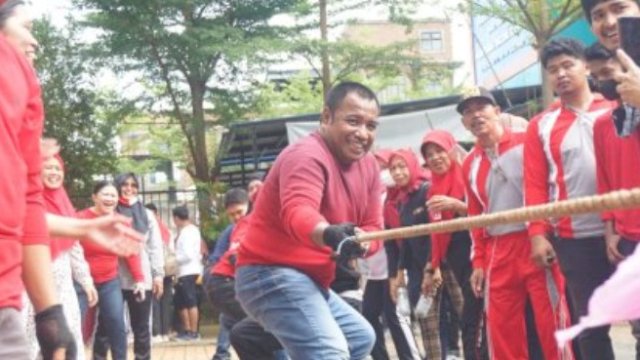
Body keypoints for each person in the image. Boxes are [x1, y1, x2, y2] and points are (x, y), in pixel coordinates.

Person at [0, 1, 141, 359]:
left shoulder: (26, 85)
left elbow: (26, 209)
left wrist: (51, 318)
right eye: (27, 27)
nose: (35, 42)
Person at [234, 81, 380, 359]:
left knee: (360, 339)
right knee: (330, 352)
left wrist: (362, 245)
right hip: (266, 273)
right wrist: (330, 234)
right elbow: (299, 212)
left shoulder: (370, 167)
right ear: (326, 117)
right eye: (353, 121)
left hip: (309, 280)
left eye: (371, 126)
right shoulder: (306, 155)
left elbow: (374, 229)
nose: (362, 133)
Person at [459, 86, 572, 360]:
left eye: (481, 108)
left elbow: (550, 186)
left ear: (497, 111)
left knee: (552, 322)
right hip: (498, 249)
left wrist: (546, 230)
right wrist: (477, 262)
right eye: (468, 112)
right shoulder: (469, 163)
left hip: (537, 238)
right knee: (500, 328)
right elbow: (476, 218)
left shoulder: (527, 141)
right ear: (463, 122)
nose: (475, 115)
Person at [524, 38, 618, 360]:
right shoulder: (540, 125)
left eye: (568, 65)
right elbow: (535, 185)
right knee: (590, 327)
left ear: (585, 66)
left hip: (627, 233)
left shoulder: (618, 108)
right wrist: (537, 235)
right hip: (574, 240)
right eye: (553, 70)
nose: (561, 74)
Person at [586, 42, 640, 359]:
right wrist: (610, 229)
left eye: (606, 73)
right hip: (628, 237)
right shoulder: (603, 123)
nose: (601, 82)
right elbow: (605, 180)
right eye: (596, 76)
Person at [21, 154, 98, 360]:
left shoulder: (64, 203)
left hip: (62, 287)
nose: (54, 173)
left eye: (58, 169)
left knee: (66, 341)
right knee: (29, 343)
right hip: (31, 286)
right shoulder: (27, 200)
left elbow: (74, 247)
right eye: (48, 168)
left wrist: (86, 281)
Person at [420, 130, 488, 360]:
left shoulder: (468, 176)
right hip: (456, 265)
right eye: (429, 155)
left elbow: (488, 213)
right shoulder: (432, 190)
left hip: (479, 261)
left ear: (451, 149)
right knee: (471, 322)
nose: (435, 158)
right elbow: (436, 234)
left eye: (439, 150)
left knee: (474, 322)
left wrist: (457, 205)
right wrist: (433, 266)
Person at [360, 150, 421, 360]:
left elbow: (398, 238)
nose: (382, 172)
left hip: (393, 267)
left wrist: (399, 271)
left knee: (395, 316)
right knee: (368, 314)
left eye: (383, 167)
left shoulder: (396, 196)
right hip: (375, 269)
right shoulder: (369, 195)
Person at [78, 181, 146, 360]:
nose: (110, 199)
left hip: (109, 281)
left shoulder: (118, 221)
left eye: (113, 195)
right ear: (94, 197)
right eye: (105, 194)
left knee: (116, 322)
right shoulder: (80, 218)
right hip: (81, 282)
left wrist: (139, 278)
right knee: (76, 324)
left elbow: (131, 252)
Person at [115, 173, 164, 360]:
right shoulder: (112, 211)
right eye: (125, 184)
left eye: (133, 185)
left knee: (142, 328)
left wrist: (158, 274)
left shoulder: (147, 214)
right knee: (112, 326)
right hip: (115, 278)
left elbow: (155, 246)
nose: (129, 188)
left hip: (142, 280)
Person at [582, 0, 640, 134]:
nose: (610, 22)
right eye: (599, 16)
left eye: (619, 8)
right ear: (592, 29)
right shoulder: (608, 123)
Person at [205, 188, 250, 360]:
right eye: (232, 214)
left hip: (228, 281)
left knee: (230, 320)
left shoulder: (247, 224)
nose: (237, 217)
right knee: (265, 325)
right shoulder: (235, 229)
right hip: (225, 280)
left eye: (240, 211)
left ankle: (221, 354)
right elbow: (229, 256)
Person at [173, 205, 204, 340]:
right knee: (181, 302)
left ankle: (193, 332)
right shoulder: (191, 230)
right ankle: (187, 330)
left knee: (190, 301)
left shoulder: (187, 232)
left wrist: (173, 259)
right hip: (185, 271)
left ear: (176, 218)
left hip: (188, 271)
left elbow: (188, 255)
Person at [146, 203, 174, 340]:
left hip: (154, 270)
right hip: (168, 270)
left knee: (155, 301)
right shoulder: (166, 230)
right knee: (165, 301)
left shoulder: (149, 229)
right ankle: (165, 333)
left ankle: (156, 332)